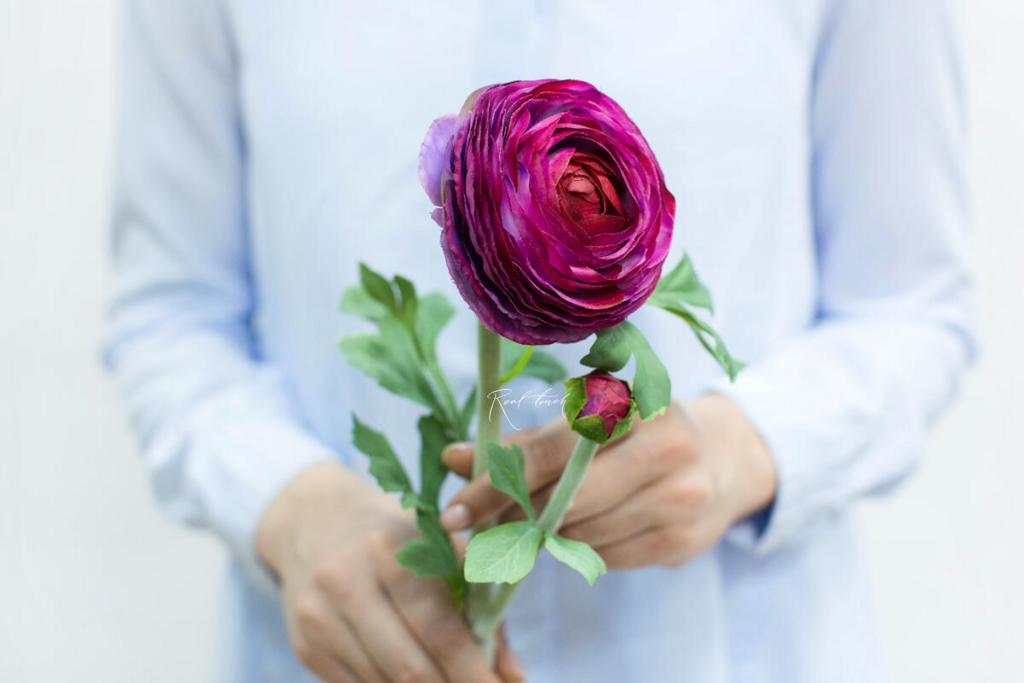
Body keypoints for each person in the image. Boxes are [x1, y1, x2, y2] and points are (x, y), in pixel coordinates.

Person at [103, 1, 973, 681]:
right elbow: (169, 312)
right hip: (346, 661)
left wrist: (740, 449)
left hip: (726, 651)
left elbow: (912, 304)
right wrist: (287, 506)